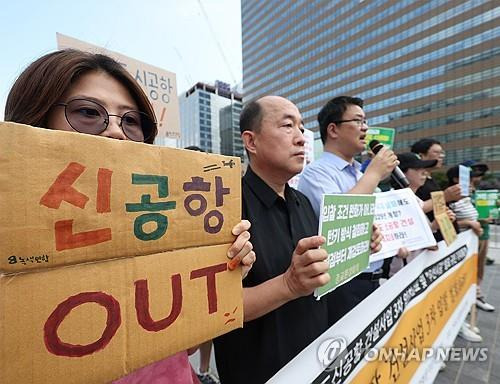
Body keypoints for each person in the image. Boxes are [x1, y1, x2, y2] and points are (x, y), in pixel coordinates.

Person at [4, 49, 255, 384]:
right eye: (88, 112)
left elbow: (183, 345)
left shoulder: (159, 223)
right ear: (33, 120)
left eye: (131, 121)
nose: (116, 132)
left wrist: (220, 277)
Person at [214, 96, 382, 383]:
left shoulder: (303, 202)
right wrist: (288, 285)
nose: (301, 138)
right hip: (258, 370)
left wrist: (356, 241)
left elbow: (321, 266)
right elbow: (214, 306)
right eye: (287, 126)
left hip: (315, 360)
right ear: (251, 142)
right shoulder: (223, 207)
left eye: (301, 128)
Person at [298, 95, 398, 325]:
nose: (365, 128)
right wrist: (375, 173)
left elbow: (369, 223)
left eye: (365, 121)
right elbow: (340, 220)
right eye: (358, 121)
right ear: (333, 130)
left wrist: (374, 235)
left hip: (371, 277)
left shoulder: (359, 175)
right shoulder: (316, 173)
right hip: (341, 284)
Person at [447, 164, 495, 313]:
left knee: (477, 268)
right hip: (461, 243)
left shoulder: (469, 195)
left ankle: (474, 296)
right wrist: (470, 223)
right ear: (456, 179)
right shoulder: (450, 198)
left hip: (476, 237)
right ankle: (463, 306)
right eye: (467, 178)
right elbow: (448, 223)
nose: (472, 181)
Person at [410, 138, 462, 239]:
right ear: (421, 156)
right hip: (432, 241)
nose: (441, 156)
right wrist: (444, 196)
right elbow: (415, 209)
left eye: (442, 153)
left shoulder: (431, 179)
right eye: (436, 152)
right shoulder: (414, 183)